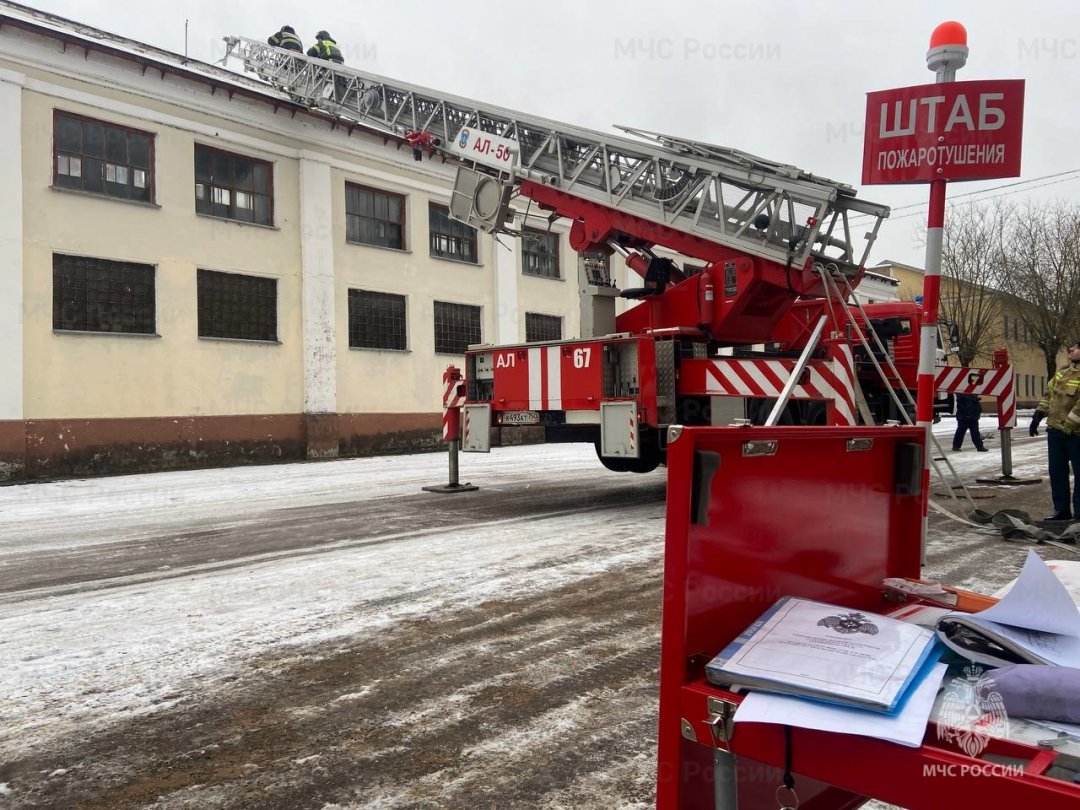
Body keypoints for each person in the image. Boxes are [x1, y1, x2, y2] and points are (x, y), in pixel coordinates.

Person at [1030, 341, 1080, 521]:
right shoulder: (1062, 373)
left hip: (1075, 434)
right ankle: (1061, 510)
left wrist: (1071, 424)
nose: (1071, 350)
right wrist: (1038, 415)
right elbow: (1049, 396)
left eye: (1076, 348)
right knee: (1057, 472)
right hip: (1056, 432)